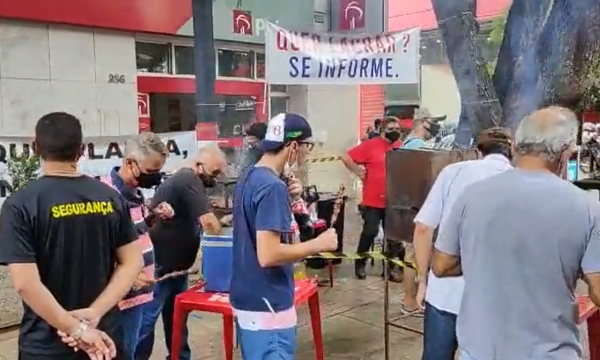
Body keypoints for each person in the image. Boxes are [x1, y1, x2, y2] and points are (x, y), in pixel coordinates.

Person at [432, 106, 600, 360]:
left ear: (517, 146)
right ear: (565, 152)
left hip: (481, 353)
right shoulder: (588, 207)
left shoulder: (472, 196)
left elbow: (442, 265)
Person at [0, 112, 143, 360]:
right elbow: (132, 262)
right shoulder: (109, 197)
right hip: (103, 339)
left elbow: (26, 284)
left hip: (46, 346)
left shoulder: (20, 204)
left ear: (35, 148)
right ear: (82, 150)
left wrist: (74, 328)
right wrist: (94, 314)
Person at [230, 112, 338, 359]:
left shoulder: (250, 176)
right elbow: (268, 255)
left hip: (248, 297)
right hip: (269, 304)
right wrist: (318, 244)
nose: (305, 154)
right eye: (306, 147)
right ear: (292, 146)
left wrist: (291, 197)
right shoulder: (272, 187)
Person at [413, 128, 514, 360]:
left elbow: (423, 227)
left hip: (444, 294)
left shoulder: (453, 172)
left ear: (478, 152)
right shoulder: (521, 180)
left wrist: (422, 280)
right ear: (512, 152)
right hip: (494, 301)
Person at [136, 145, 228, 360]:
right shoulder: (189, 178)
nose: (214, 179)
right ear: (199, 164)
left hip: (177, 267)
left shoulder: (189, 179)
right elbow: (210, 224)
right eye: (214, 173)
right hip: (160, 266)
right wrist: (228, 237)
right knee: (146, 323)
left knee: (177, 320)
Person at [97, 132, 173, 360]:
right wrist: (128, 276)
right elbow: (96, 248)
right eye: (150, 172)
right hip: (120, 299)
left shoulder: (134, 194)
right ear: (129, 163)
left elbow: (128, 235)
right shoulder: (106, 195)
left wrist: (151, 217)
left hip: (140, 296)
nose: (154, 178)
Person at [341, 117, 402, 280]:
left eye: (398, 128)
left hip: (393, 200)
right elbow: (346, 157)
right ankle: (360, 263)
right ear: (382, 130)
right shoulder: (370, 145)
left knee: (394, 236)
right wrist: (358, 172)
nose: (395, 131)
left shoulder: (399, 147)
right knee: (370, 231)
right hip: (373, 199)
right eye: (391, 128)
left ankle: (391, 267)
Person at [400, 108, 446, 314]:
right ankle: (410, 301)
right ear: (422, 123)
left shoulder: (409, 144)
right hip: (416, 206)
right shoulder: (417, 146)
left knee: (413, 255)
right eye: (432, 122)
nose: (435, 127)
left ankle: (411, 299)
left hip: (410, 204)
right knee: (414, 256)